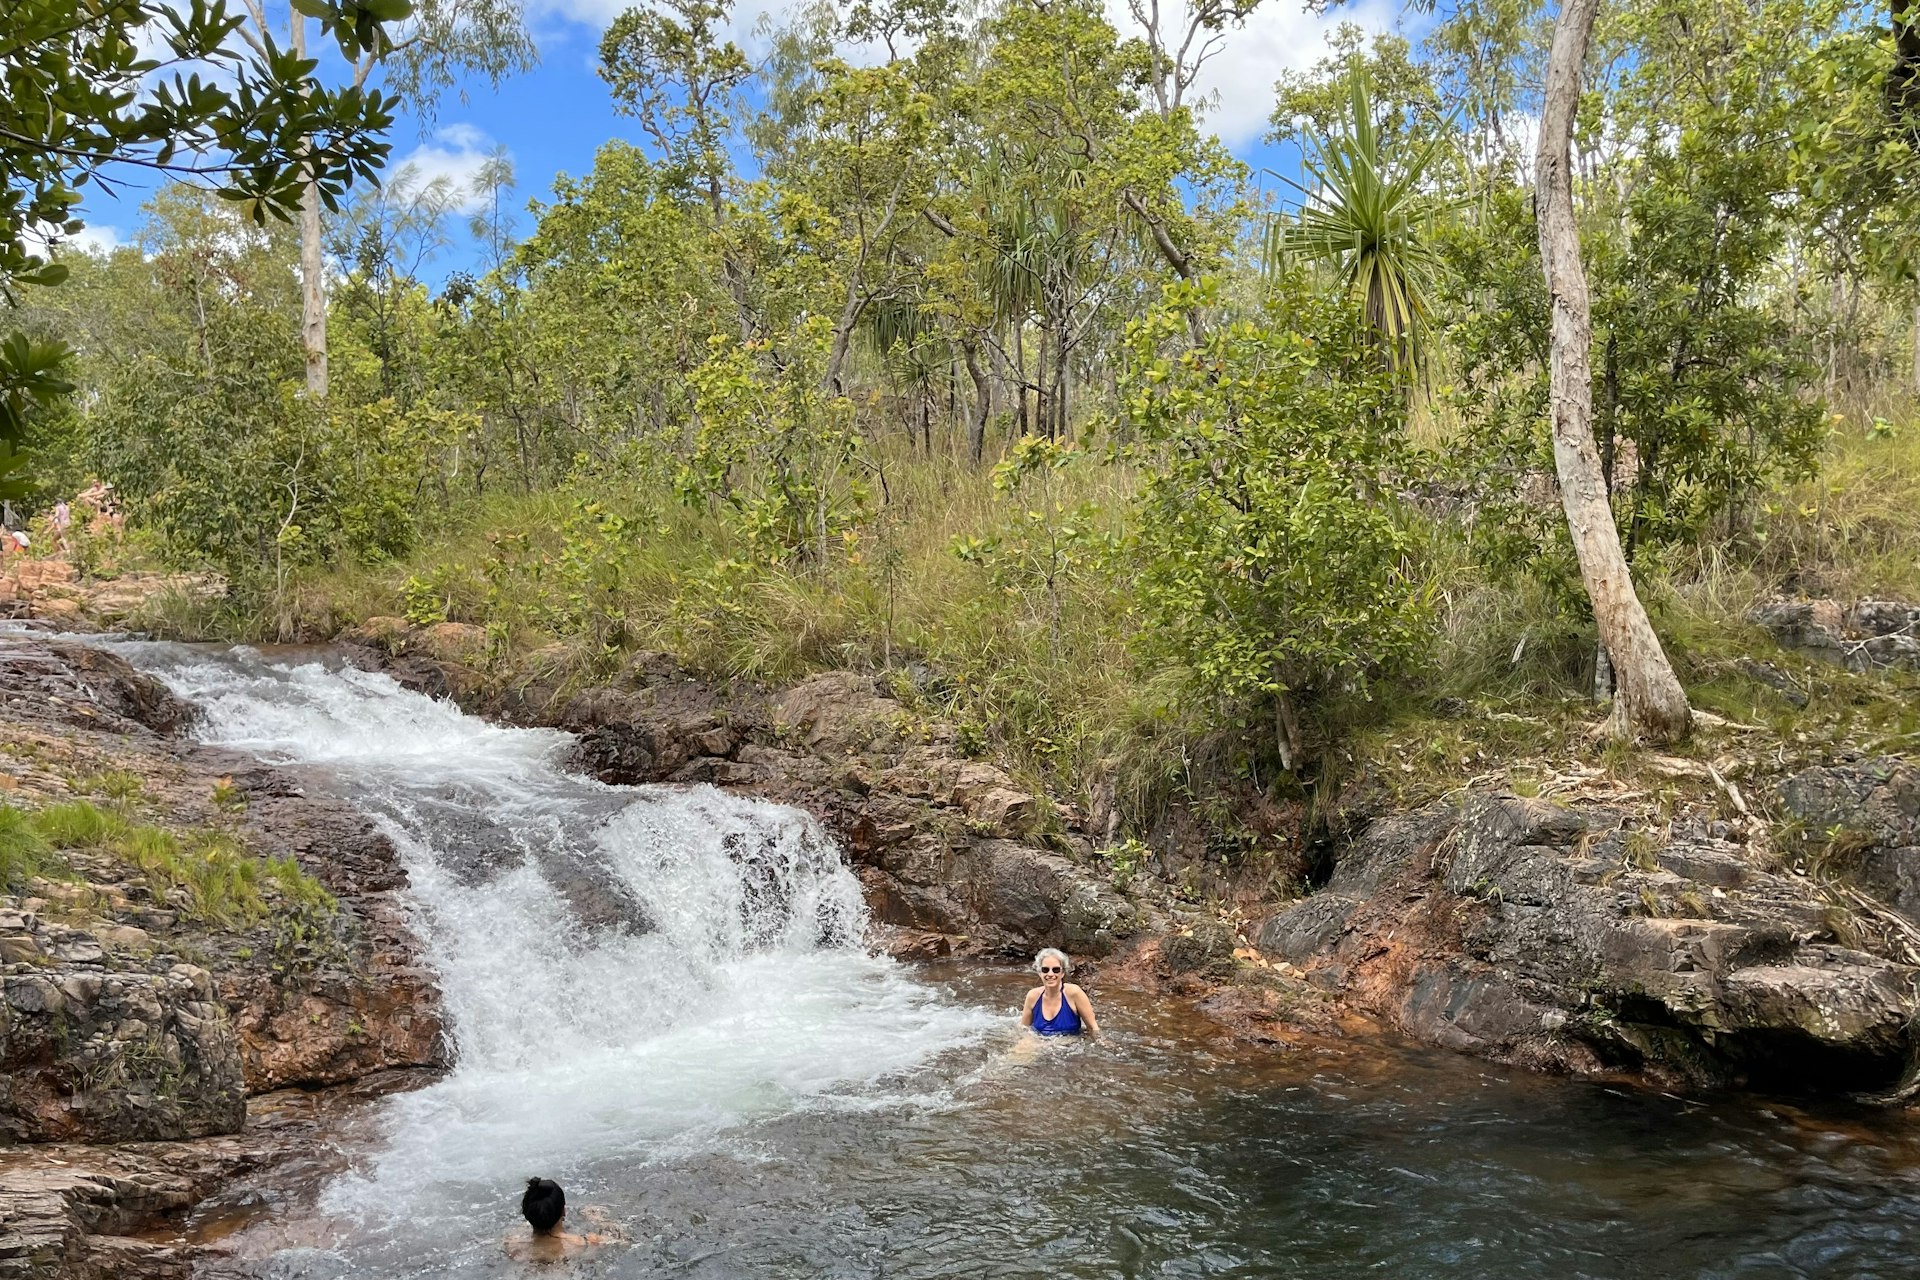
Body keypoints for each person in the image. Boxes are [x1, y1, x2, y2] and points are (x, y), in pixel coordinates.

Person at [503, 1177, 621, 1263]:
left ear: (526, 1214)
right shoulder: (582, 1243)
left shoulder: (512, 1244)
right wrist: (598, 1219)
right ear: (563, 1211)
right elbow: (623, 1241)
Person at [1020, 947, 1100, 1038]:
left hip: (1071, 1043)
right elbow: (1024, 1030)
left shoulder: (1074, 993)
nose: (1050, 974)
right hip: (1039, 1043)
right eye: (1045, 970)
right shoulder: (1032, 996)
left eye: (1056, 970)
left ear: (1062, 973)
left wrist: (1101, 1042)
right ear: (1039, 972)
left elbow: (1093, 1028)